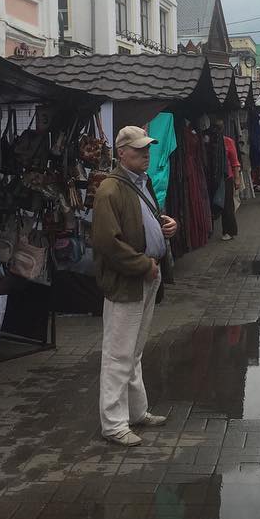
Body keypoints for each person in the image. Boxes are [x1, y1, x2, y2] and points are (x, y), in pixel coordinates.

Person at [92, 126, 179, 446]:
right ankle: (113, 423)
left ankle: (136, 410)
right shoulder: (110, 190)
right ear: (122, 153)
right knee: (118, 354)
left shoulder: (138, 183)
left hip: (145, 277)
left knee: (135, 349)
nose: (146, 154)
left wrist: (166, 225)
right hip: (128, 280)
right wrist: (144, 265)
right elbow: (107, 242)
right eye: (139, 149)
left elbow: (142, 223)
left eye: (147, 149)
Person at [221, 132, 240, 241]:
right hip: (214, 178)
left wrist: (237, 179)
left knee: (227, 205)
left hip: (227, 177)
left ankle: (229, 230)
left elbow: (235, 162)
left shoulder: (228, 141)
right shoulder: (209, 140)